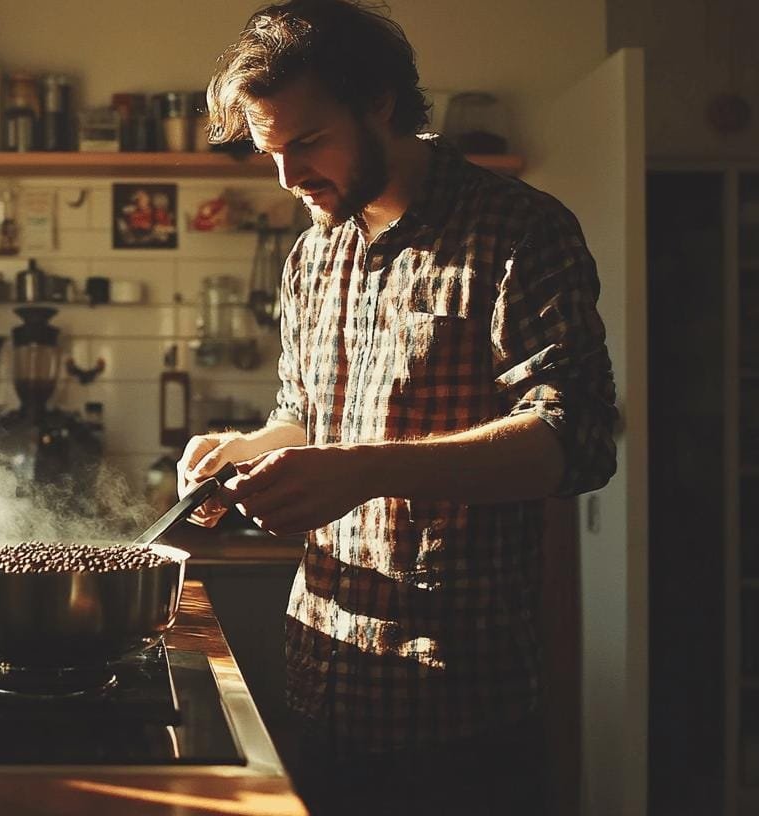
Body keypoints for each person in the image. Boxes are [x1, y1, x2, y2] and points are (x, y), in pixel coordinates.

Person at [179, 1, 618, 813]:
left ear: (380, 103)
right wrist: (243, 449)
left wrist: (369, 469)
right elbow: (303, 415)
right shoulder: (314, 253)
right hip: (323, 682)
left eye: (306, 143)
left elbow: (577, 439)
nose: (288, 177)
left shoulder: (520, 230)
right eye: (270, 153)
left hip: (459, 708)